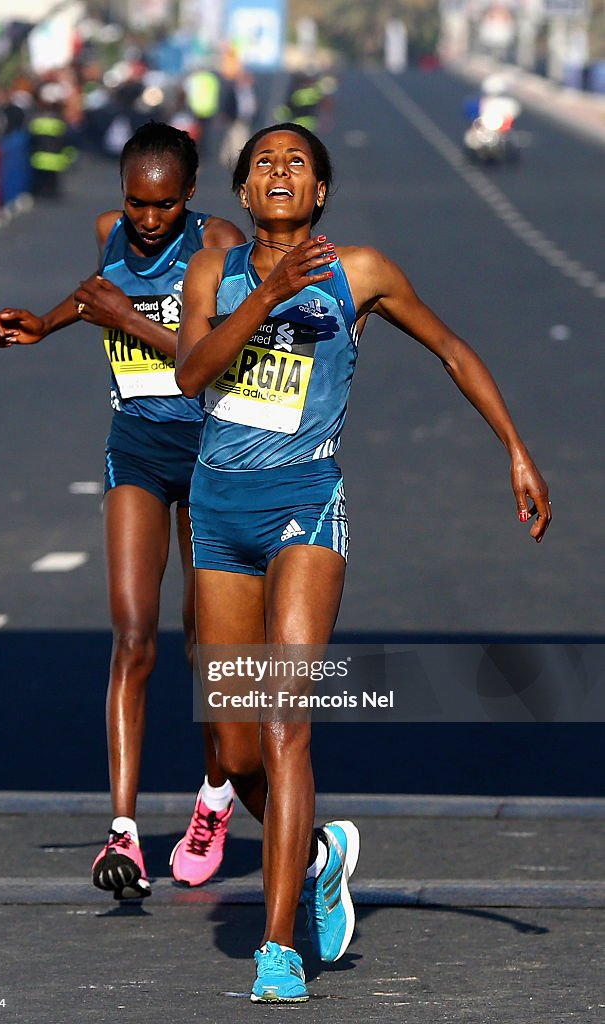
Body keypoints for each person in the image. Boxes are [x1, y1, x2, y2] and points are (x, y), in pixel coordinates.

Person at [175, 122, 552, 1002]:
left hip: (304, 505)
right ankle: (319, 852)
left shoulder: (362, 272)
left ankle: (278, 949)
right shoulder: (213, 273)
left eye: (296, 163)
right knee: (233, 752)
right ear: (241, 192)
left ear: (320, 195)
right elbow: (192, 373)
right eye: (262, 162)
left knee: (282, 723)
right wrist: (262, 294)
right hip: (218, 511)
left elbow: (454, 350)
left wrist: (516, 449)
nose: (278, 171)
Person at [0, 122, 246, 896]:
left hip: (211, 456)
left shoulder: (219, 244)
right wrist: (45, 321)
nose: (145, 220)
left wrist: (132, 324)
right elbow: (95, 292)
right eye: (135, 203)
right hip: (135, 446)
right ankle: (124, 833)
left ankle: (212, 800)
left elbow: (224, 355)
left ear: (189, 196)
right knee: (133, 635)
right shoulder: (110, 232)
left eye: (162, 206)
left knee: (208, 650)